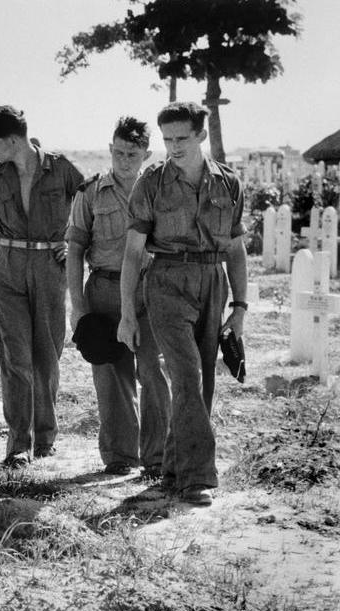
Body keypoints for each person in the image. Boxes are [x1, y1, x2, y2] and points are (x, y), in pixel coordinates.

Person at [117, 101, 247, 506]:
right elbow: (133, 254)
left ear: (201, 136)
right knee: (186, 374)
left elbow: (236, 250)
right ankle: (199, 478)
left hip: (213, 281)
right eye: (167, 139)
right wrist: (126, 313)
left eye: (181, 138)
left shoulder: (228, 183)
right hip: (167, 282)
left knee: (204, 379)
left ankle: (174, 468)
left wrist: (239, 308)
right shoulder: (151, 182)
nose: (172, 146)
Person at [0, 105, 85, 467]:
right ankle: (18, 446)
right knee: (15, 357)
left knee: (47, 355)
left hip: (50, 266)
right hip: (10, 266)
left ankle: (45, 439)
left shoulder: (60, 167)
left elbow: (88, 202)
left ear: (14, 139)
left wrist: (73, 242)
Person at [65, 116, 171, 477]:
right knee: (110, 373)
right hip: (105, 289)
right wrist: (77, 306)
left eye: (133, 153)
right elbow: (75, 248)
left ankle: (157, 457)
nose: (125, 160)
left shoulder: (160, 190)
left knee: (153, 370)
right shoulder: (91, 191)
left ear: (146, 154)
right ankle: (120, 456)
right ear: (110, 150)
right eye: (119, 152)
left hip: (150, 290)